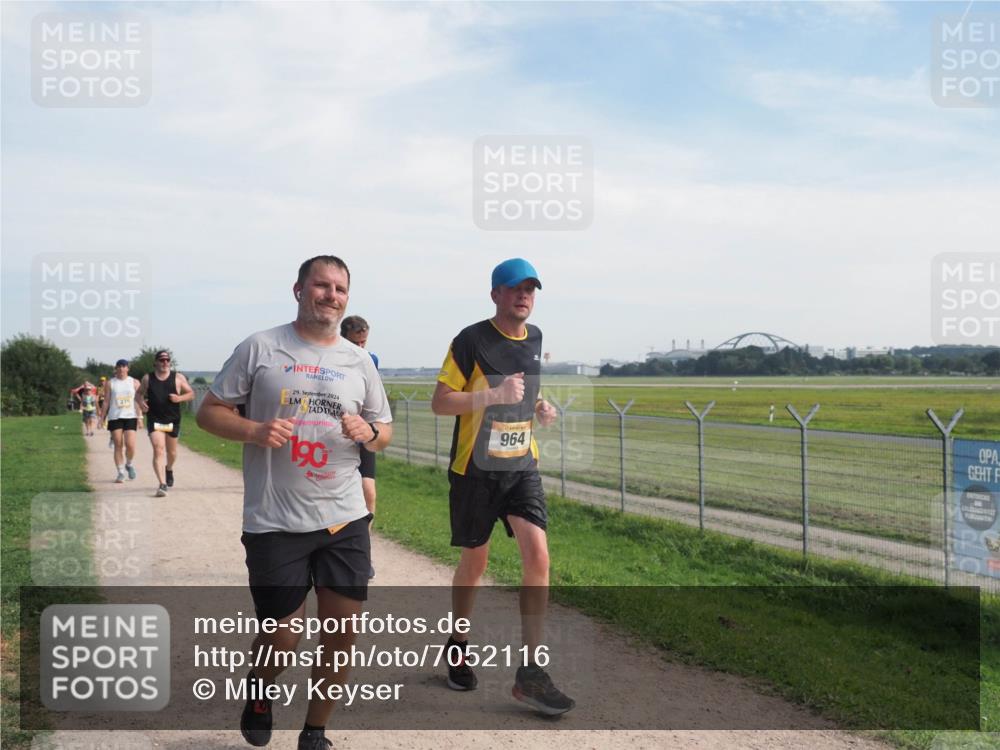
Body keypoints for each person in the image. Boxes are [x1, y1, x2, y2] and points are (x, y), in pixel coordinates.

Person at [196, 255, 393, 750]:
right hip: (274, 520)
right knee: (284, 636)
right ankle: (261, 693)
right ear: (299, 290)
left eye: (340, 288)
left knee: (342, 631)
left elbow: (383, 431)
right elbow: (209, 412)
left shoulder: (359, 361)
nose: (331, 295)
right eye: (321, 285)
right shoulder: (261, 347)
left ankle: (315, 731)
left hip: (344, 515)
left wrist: (369, 432)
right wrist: (255, 429)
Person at [430, 258, 574, 715]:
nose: (524, 296)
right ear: (495, 294)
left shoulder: (535, 338)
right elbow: (441, 402)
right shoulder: (470, 340)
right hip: (475, 470)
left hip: (521, 465)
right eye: (514, 288)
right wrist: (491, 395)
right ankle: (458, 643)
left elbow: (524, 396)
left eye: (531, 288)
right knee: (475, 561)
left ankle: (531, 671)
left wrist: (542, 409)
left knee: (538, 555)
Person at [340, 315, 379, 579]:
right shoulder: (333, 358)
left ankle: (364, 552)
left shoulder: (370, 360)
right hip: (337, 435)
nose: (361, 346)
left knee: (368, 490)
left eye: (364, 341)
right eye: (356, 342)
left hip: (363, 432)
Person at [137, 349, 194, 497]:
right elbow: (138, 394)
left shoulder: (178, 377)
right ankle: (162, 484)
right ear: (155, 362)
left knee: (172, 452)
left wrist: (179, 399)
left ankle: (169, 469)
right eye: (161, 360)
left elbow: (191, 394)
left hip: (172, 419)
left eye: (167, 360)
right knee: (158, 449)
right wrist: (141, 403)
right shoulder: (147, 378)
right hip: (155, 419)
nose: (165, 363)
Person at [98, 359, 140, 483]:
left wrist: (140, 417)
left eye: (124, 366)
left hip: (130, 416)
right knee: (118, 444)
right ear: (115, 368)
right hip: (115, 416)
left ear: (128, 368)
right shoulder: (110, 383)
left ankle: (129, 464)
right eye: (119, 367)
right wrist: (101, 418)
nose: (121, 369)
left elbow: (137, 400)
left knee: (130, 445)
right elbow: (106, 401)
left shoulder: (134, 382)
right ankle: (121, 472)